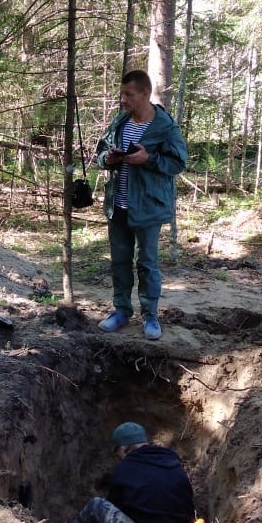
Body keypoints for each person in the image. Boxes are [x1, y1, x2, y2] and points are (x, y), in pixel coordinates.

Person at [95, 70, 188, 340]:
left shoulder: (164, 127)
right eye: (122, 94)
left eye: (129, 94)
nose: (123, 99)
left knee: (147, 263)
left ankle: (150, 316)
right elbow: (100, 153)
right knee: (120, 262)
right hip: (118, 205)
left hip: (148, 207)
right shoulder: (120, 123)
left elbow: (177, 163)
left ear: (145, 94)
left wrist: (147, 159)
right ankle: (121, 311)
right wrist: (108, 159)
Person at [67, 422, 195, 523]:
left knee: (96, 505)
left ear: (124, 449)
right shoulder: (172, 459)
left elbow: (115, 508)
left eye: (118, 455)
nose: (120, 459)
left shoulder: (124, 469)